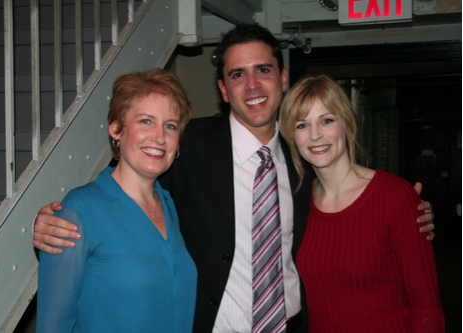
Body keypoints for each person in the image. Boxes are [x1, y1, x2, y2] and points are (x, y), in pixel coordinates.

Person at [32, 24, 435, 333]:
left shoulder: (303, 161)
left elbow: (351, 211)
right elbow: (130, 182)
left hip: (291, 324)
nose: (253, 85)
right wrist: (57, 218)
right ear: (224, 90)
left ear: (282, 78)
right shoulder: (187, 146)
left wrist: (405, 213)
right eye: (238, 75)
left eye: (263, 70)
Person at [279, 74, 444, 332]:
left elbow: (426, 305)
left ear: (346, 123)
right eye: (302, 125)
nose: (315, 135)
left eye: (326, 120)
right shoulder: (295, 204)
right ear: (291, 137)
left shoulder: (394, 196)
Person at [35, 69, 197, 332]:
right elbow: (53, 325)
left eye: (170, 126)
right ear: (116, 129)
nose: (159, 137)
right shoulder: (80, 210)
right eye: (146, 121)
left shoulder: (168, 204)